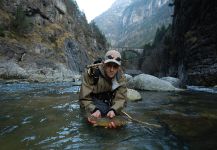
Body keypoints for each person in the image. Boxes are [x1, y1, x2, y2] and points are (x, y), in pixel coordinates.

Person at [79, 50, 127, 128]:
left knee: (120, 127)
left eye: (115, 66)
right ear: (104, 63)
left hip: (109, 104)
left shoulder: (121, 78)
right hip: (92, 103)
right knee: (89, 126)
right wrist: (94, 110)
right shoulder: (92, 73)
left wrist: (114, 110)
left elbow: (121, 99)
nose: (112, 69)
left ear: (119, 67)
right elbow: (84, 99)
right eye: (109, 65)